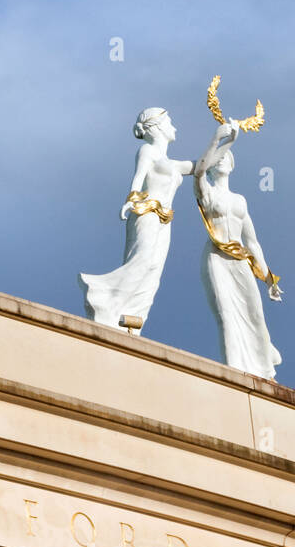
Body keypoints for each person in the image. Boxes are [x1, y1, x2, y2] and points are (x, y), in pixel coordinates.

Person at [79, 108, 192, 329]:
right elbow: (138, 178)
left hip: (164, 220)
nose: (174, 127)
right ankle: (102, 298)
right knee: (142, 261)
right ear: (157, 126)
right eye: (170, 121)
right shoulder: (148, 151)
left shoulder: (174, 164)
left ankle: (132, 320)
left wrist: (224, 137)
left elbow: (202, 165)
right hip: (146, 213)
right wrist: (131, 200)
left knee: (153, 272)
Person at [194, 117, 282, 377]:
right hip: (217, 258)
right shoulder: (206, 192)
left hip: (241, 260)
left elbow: (252, 241)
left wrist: (269, 279)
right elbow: (198, 171)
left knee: (255, 312)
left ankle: (263, 365)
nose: (222, 160)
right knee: (227, 314)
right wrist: (219, 139)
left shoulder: (240, 200)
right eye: (217, 158)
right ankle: (235, 369)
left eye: (226, 157)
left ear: (233, 164)